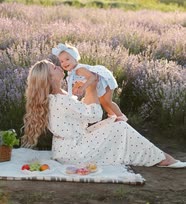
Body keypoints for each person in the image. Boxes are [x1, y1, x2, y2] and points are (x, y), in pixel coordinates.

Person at [22, 59, 186, 168]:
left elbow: (81, 115)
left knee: (115, 122)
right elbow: (93, 116)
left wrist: (87, 91)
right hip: (75, 151)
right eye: (54, 67)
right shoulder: (60, 100)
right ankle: (162, 159)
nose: (59, 66)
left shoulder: (59, 96)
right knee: (120, 128)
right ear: (50, 78)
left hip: (68, 148)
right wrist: (92, 87)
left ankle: (156, 156)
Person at [52, 43, 128, 122]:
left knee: (107, 101)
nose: (64, 63)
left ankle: (121, 116)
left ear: (75, 59)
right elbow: (79, 81)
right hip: (99, 84)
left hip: (105, 81)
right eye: (61, 61)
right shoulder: (73, 72)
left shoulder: (80, 69)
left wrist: (82, 88)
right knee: (103, 101)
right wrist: (75, 88)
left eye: (67, 59)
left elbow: (92, 77)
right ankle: (112, 116)